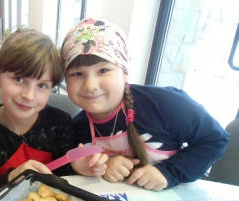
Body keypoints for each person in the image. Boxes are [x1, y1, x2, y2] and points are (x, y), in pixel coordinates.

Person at [60, 17, 229, 191]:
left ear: (124, 72)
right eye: (77, 74)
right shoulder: (76, 128)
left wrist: (168, 173)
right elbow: (79, 169)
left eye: (103, 70)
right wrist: (105, 166)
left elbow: (215, 139)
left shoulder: (165, 104)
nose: (90, 86)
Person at [0, 28, 107, 195]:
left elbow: (65, 176)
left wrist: (80, 168)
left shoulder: (60, 123)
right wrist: (13, 176)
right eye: (19, 79)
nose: (29, 96)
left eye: (42, 85)